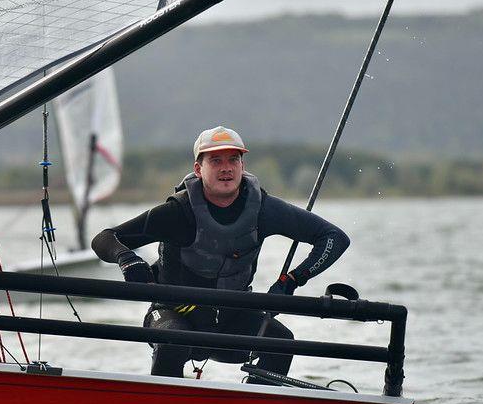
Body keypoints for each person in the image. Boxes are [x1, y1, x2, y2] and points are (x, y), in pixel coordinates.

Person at [91, 125, 350, 382]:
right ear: (198, 169)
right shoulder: (176, 212)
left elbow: (335, 238)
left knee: (281, 341)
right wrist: (127, 259)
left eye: (233, 159)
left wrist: (292, 280)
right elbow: (104, 239)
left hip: (233, 316)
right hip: (174, 313)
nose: (226, 168)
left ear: (242, 166)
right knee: (174, 341)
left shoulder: (263, 209)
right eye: (215, 160)